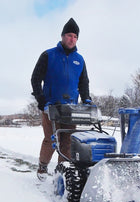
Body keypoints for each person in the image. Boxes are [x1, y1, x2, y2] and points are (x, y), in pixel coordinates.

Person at [31, 18, 91, 181]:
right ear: (63, 36)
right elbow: (35, 78)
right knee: (51, 139)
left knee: (67, 141)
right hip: (50, 106)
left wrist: (86, 99)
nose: (72, 39)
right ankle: (43, 168)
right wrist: (41, 99)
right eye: (69, 35)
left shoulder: (80, 60)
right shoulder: (48, 55)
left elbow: (83, 82)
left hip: (70, 108)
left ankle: (61, 173)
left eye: (75, 37)